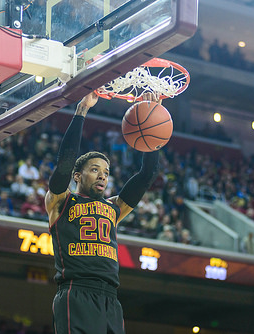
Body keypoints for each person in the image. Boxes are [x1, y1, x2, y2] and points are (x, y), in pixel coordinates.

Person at [45, 92, 160, 334]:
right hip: (76, 292)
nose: (102, 175)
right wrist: (81, 111)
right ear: (77, 176)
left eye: (106, 172)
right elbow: (64, 164)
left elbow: (146, 175)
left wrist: (152, 124)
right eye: (94, 170)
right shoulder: (61, 202)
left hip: (110, 298)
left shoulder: (114, 208)